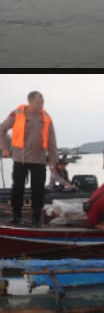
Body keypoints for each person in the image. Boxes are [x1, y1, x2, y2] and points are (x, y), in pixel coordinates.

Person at [0, 91, 59, 226]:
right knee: (17, 189)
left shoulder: (46, 117)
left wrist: (53, 161)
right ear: (30, 102)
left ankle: (36, 219)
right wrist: (4, 148)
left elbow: (52, 141)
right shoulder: (18, 113)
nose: (41, 105)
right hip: (20, 159)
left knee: (38, 190)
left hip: (39, 160)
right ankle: (16, 216)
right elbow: (2, 129)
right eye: (38, 102)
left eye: (42, 102)